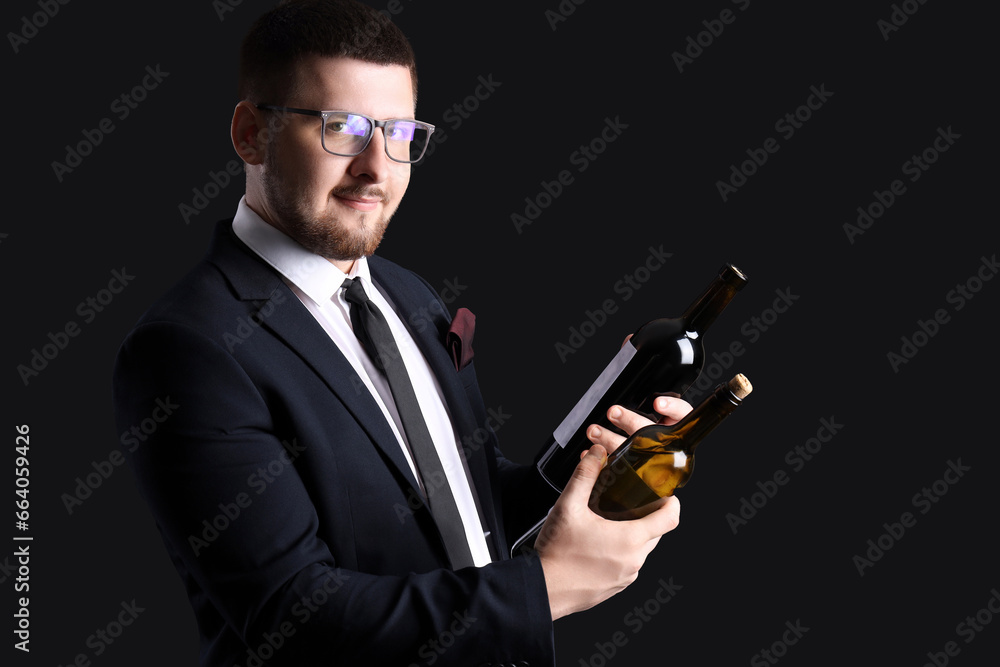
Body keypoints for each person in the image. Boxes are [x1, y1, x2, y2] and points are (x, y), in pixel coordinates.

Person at [112, 1, 685, 665]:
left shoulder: (409, 296)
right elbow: (292, 616)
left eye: (400, 133)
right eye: (344, 128)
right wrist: (545, 587)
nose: (377, 168)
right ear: (250, 134)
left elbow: (464, 507)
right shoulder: (189, 348)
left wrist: (600, 460)